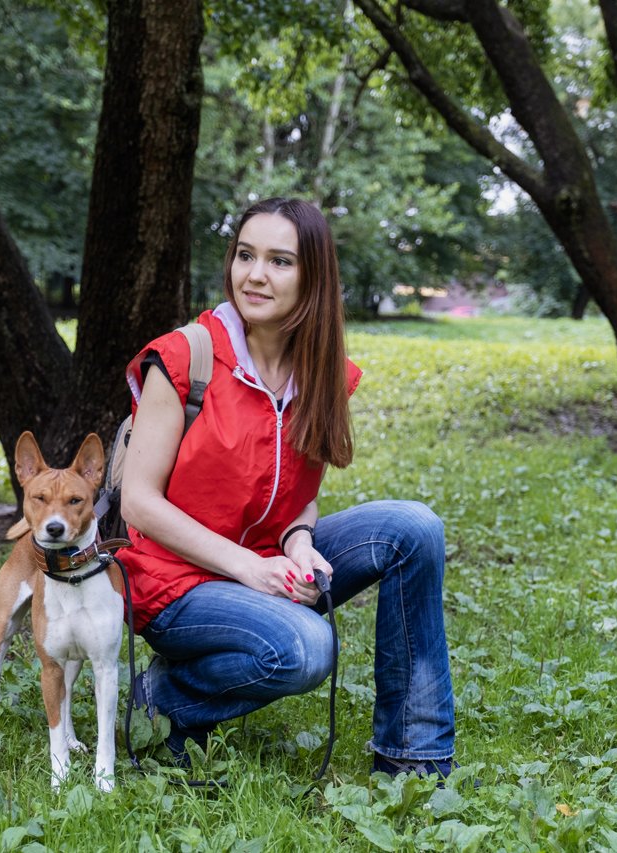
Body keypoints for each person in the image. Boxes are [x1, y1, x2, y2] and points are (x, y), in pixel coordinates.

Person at [116, 197, 456, 777]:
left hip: (267, 562)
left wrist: (299, 542)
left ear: (312, 278)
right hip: (171, 582)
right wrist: (251, 568)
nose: (254, 275)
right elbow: (138, 504)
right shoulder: (184, 358)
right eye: (246, 255)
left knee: (414, 528)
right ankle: (162, 704)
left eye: (280, 261)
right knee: (305, 649)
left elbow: (301, 494)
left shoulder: (318, 372)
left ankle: (413, 760)